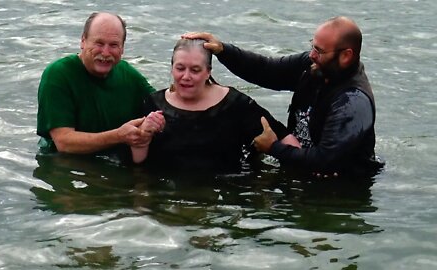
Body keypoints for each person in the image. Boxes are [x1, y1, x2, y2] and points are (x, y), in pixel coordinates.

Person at [183, 16, 384, 177]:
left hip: (337, 191)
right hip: (298, 164)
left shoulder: (353, 101)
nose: (312, 55)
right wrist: (224, 51)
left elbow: (325, 160)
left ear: (346, 55)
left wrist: (274, 147)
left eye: (319, 51)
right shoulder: (315, 66)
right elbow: (267, 70)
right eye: (312, 46)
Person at [131, 38, 300, 172]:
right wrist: (143, 137)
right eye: (180, 68)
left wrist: (303, 166)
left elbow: (282, 136)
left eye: (195, 70)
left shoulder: (235, 104)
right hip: (168, 195)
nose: (186, 76)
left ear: (208, 72)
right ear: (172, 68)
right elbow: (137, 163)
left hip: (225, 196)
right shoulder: (153, 104)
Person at [37, 12, 164, 162]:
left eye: (113, 45)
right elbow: (64, 143)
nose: (105, 52)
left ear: (122, 49)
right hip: (63, 163)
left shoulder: (128, 75)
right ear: (83, 41)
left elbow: (166, 105)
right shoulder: (58, 74)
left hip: (113, 161)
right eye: (99, 43)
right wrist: (119, 136)